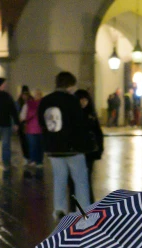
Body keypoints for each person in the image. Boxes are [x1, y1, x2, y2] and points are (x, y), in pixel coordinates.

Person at [38, 71, 92, 219]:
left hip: (53, 148)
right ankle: (83, 211)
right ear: (69, 85)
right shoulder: (72, 100)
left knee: (59, 178)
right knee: (80, 180)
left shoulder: (45, 101)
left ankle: (59, 209)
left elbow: (42, 123)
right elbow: (79, 124)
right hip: (72, 148)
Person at [75, 89, 104, 203]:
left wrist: (100, 148)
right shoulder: (73, 115)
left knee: (86, 178)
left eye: (85, 100)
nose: (83, 102)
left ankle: (89, 204)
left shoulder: (91, 114)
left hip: (90, 151)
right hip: (76, 151)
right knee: (77, 179)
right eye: (81, 100)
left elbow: (98, 132)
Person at [20, 89, 44, 176]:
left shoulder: (29, 104)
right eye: (37, 94)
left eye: (39, 94)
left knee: (36, 145)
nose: (38, 96)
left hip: (35, 128)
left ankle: (36, 161)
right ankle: (37, 161)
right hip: (34, 129)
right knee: (36, 145)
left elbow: (22, 116)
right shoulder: (42, 104)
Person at [17, 86, 32, 166]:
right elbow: (16, 113)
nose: (25, 96)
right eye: (23, 94)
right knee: (23, 142)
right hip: (21, 125)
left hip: (29, 124)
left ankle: (30, 157)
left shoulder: (31, 101)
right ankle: (26, 157)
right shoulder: (19, 102)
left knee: (29, 142)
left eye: (26, 94)